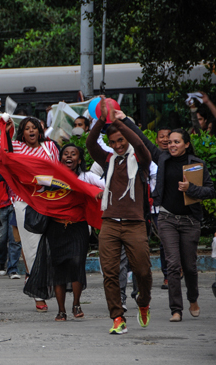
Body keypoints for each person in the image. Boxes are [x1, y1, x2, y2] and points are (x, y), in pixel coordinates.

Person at [119, 113, 216, 322]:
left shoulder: (196, 164)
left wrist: (192, 189)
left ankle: (193, 298)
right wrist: (124, 119)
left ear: (186, 144)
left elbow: (210, 191)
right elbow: (141, 140)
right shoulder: (162, 159)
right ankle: (176, 309)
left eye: (176, 142)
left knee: (189, 266)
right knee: (172, 265)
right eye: (169, 141)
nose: (171, 145)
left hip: (190, 220)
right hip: (167, 218)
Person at [0, 102, 59, 312]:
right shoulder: (16, 147)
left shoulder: (50, 147)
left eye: (34, 127)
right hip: (24, 202)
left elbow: (59, 172)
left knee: (51, 246)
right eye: (27, 128)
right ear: (22, 134)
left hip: (49, 201)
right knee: (31, 248)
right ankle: (37, 292)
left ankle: (40, 280)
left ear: (40, 130)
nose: (31, 131)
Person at [86, 97, 153, 335]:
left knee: (143, 271)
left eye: (121, 141)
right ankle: (117, 317)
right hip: (110, 224)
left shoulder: (141, 160)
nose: (117, 145)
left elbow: (141, 145)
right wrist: (102, 121)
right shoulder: (107, 160)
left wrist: (120, 123)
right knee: (111, 273)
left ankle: (143, 303)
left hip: (135, 224)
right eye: (113, 142)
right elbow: (90, 142)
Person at [49, 144, 105, 321]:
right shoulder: (52, 177)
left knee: (76, 264)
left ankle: (76, 303)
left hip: (78, 228)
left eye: (73, 154)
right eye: (65, 153)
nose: (69, 156)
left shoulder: (87, 176)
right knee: (58, 269)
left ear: (79, 160)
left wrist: (97, 193)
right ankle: (61, 310)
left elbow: (107, 187)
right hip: (56, 228)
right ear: (60, 158)